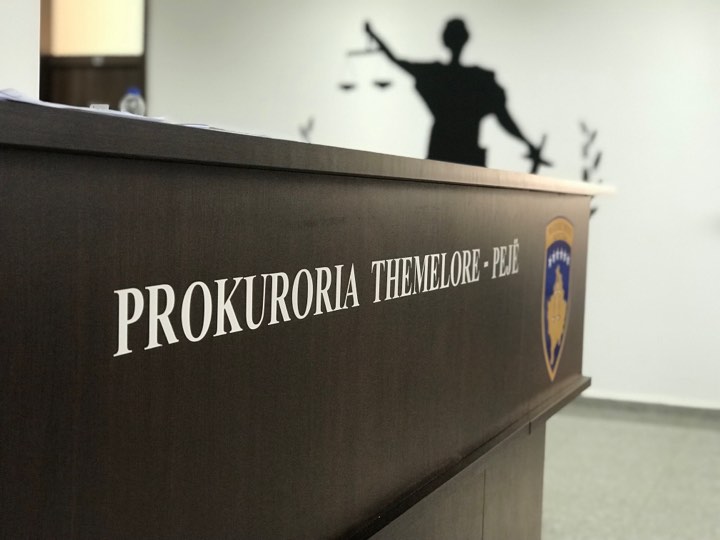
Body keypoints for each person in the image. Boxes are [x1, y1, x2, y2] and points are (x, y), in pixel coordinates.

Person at [365, 19, 550, 171]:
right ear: (465, 40)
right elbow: (504, 118)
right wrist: (527, 143)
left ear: (445, 40)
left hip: (442, 152)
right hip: (465, 155)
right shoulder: (479, 79)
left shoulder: (437, 74)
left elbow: (396, 60)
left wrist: (375, 36)